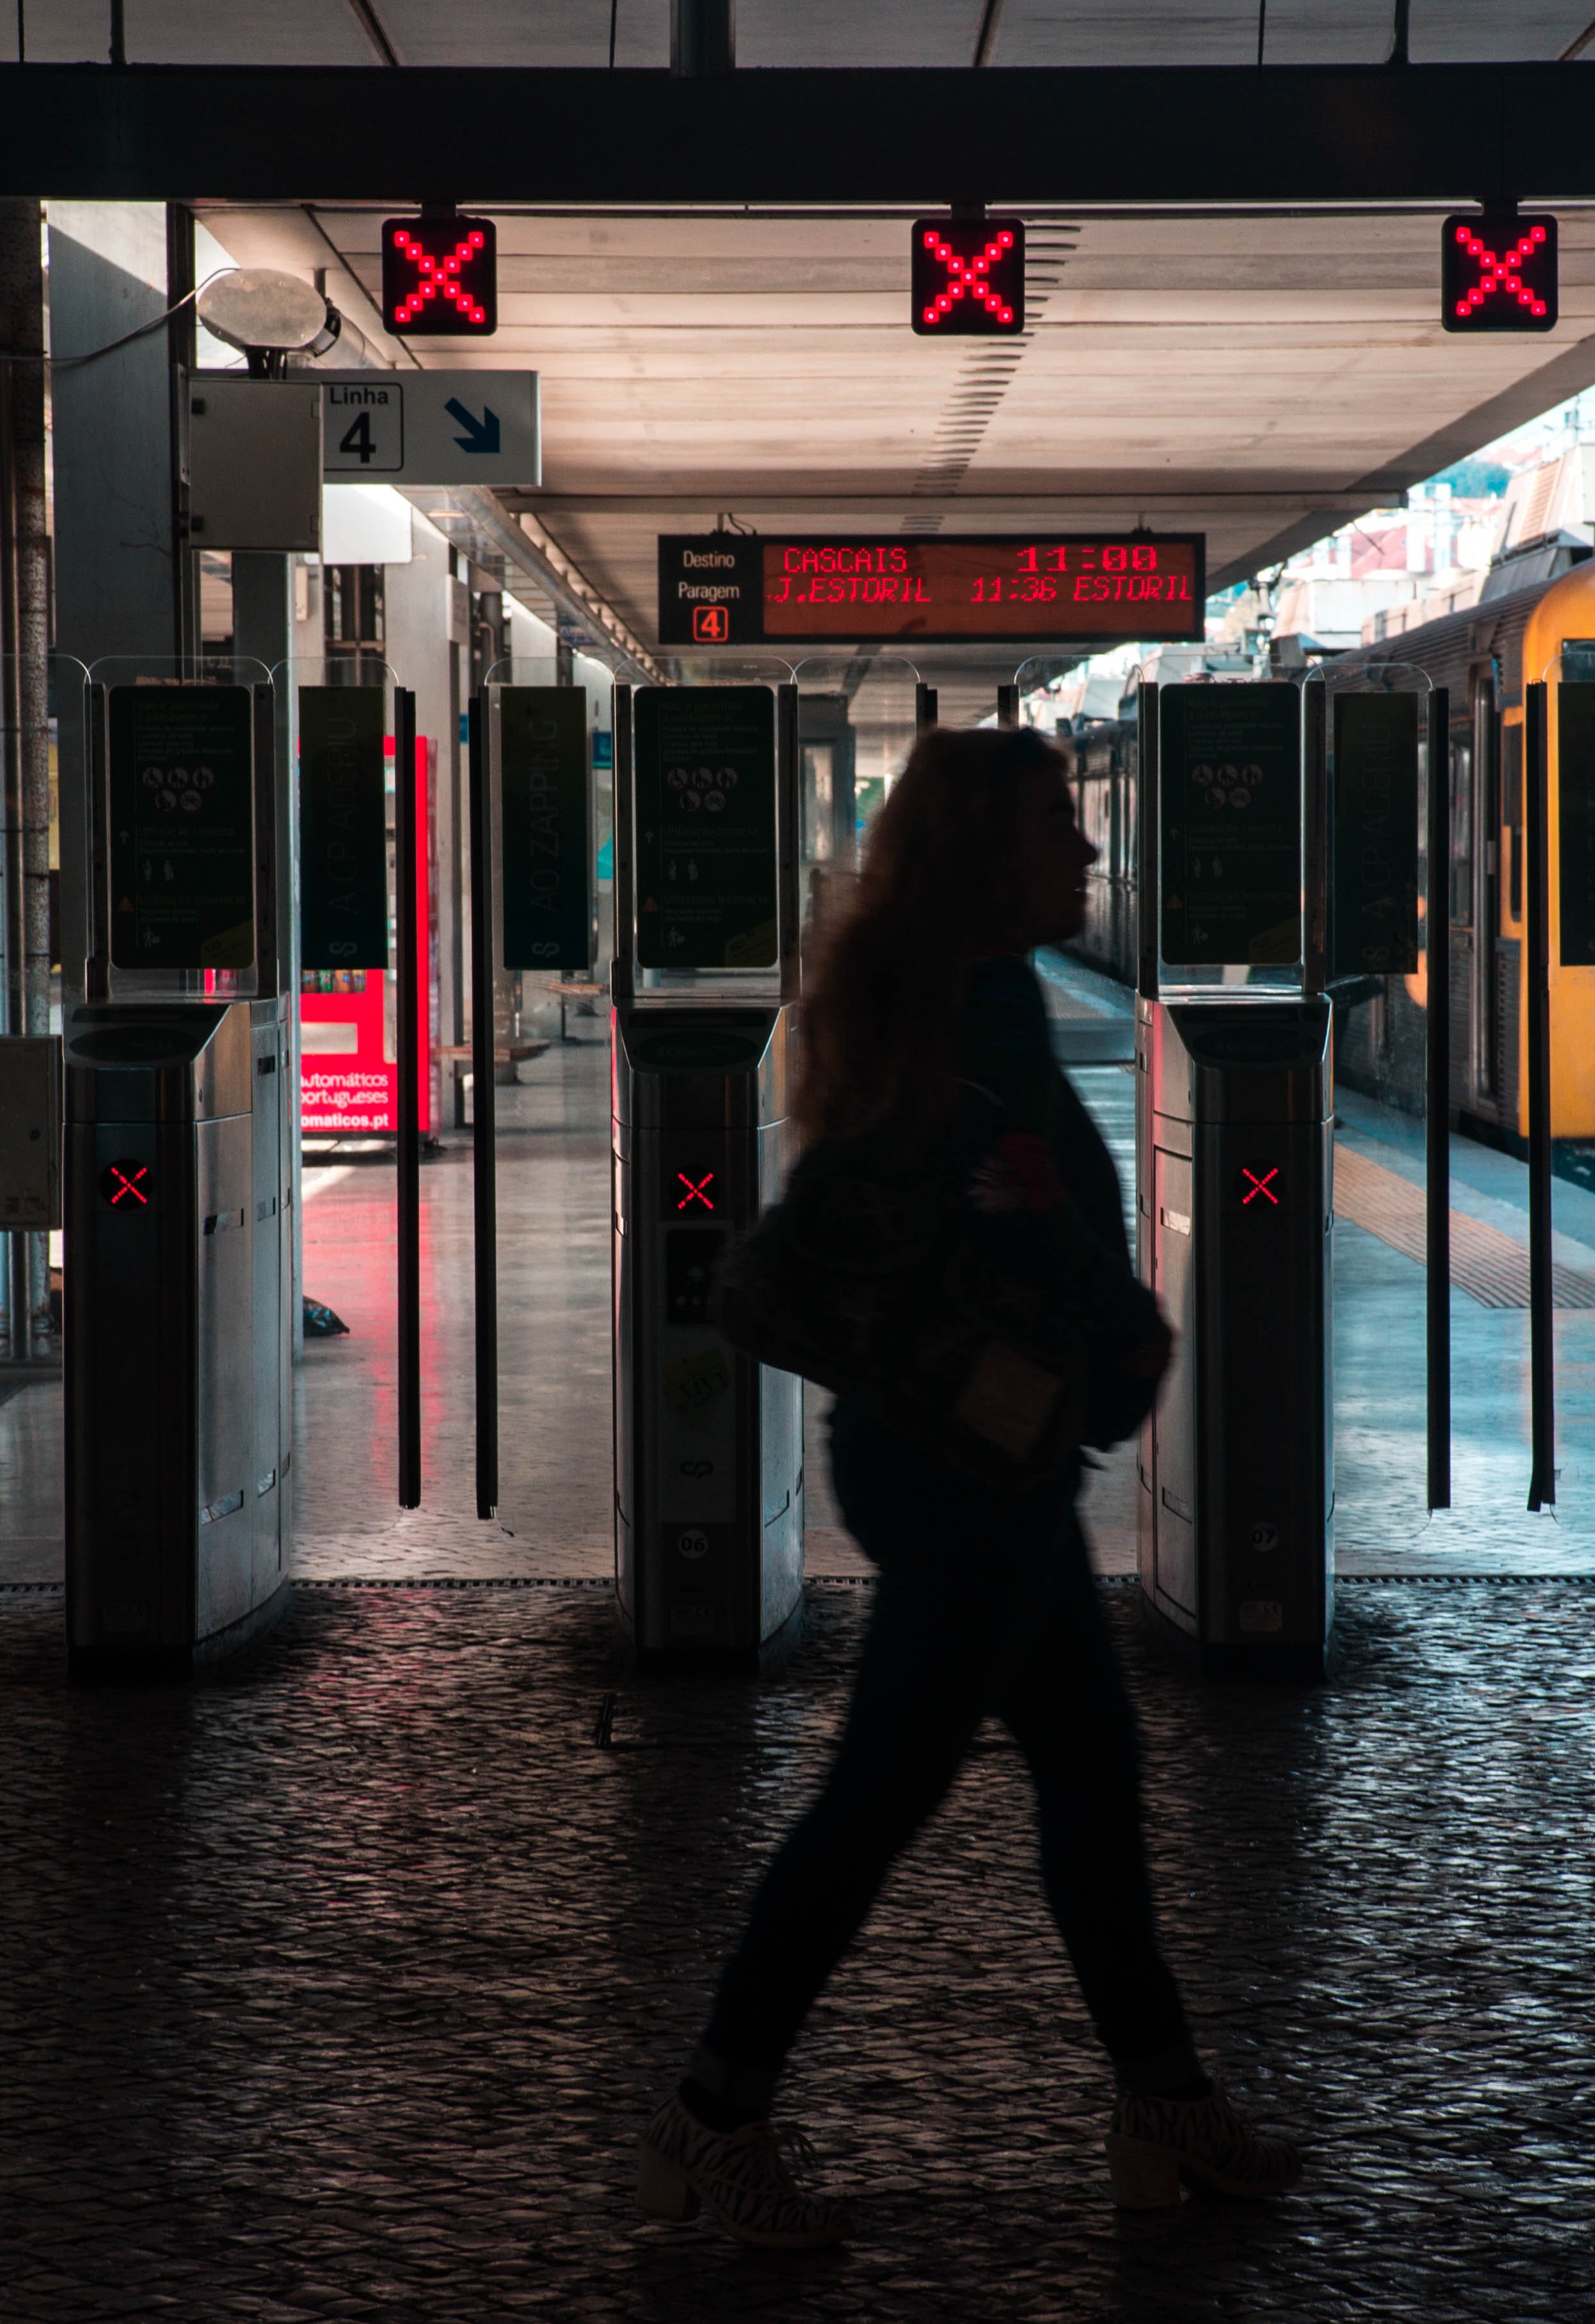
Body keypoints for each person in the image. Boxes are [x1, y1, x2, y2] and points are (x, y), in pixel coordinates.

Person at [635, 724, 1302, 2249]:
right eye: (1056, 823)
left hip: (970, 1459)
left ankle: (1163, 2098)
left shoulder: (941, 991)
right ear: (983, 855)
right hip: (961, 1476)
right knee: (878, 1799)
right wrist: (1121, 1326)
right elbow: (1006, 1211)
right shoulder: (973, 1014)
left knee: (1091, 1776)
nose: (1085, 849)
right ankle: (709, 2115)